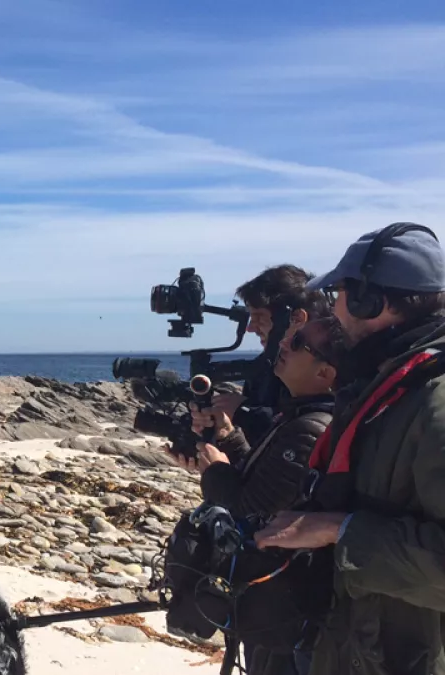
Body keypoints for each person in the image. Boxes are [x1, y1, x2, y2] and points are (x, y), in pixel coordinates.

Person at [255, 223, 445, 675]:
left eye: (339, 294)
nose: (334, 309)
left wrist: (338, 530)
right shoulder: (388, 381)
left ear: (370, 302)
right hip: (356, 648)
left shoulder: (433, 399)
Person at [173, 317, 347, 675]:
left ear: (325, 373)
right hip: (276, 601)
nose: (282, 344)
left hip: (284, 604)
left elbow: (254, 508)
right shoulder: (301, 413)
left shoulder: (312, 425)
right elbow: (267, 481)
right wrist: (228, 438)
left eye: (297, 343)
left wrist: (215, 471)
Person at [194, 264, 330, 446]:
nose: (250, 328)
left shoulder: (334, 363)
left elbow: (309, 427)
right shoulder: (264, 367)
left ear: (296, 318)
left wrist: (243, 412)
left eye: (259, 317)